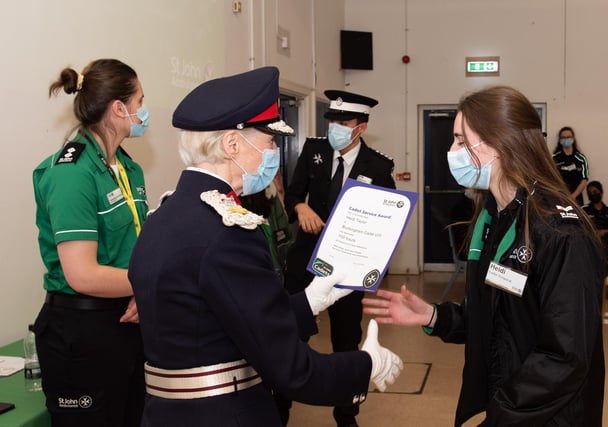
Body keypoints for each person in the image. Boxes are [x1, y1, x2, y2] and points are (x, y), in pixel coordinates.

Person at [127, 67, 402, 427]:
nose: (274, 153)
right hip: (227, 413)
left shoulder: (163, 216)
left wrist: (309, 301)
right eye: (270, 142)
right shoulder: (228, 233)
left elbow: (223, 320)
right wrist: (366, 364)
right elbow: (292, 370)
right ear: (232, 145)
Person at [363, 86, 605, 426]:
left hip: (547, 414)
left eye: (461, 141)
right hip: (509, 404)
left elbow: (565, 357)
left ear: (501, 143)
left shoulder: (560, 230)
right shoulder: (494, 216)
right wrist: (434, 317)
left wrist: (501, 415)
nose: (451, 151)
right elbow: (499, 316)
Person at [32, 59, 150, 427]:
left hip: (129, 321)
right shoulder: (71, 173)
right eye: (140, 102)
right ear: (119, 108)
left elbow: (134, 249)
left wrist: (141, 296)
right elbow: (82, 274)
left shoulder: (129, 169)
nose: (144, 112)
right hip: (82, 333)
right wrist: (151, 286)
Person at [281, 89, 396, 427]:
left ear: (360, 127)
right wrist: (301, 208)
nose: (335, 128)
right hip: (306, 259)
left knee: (346, 339)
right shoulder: (314, 151)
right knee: (290, 333)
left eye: (343, 123)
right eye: (332, 121)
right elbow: (292, 193)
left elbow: (384, 220)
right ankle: (279, 407)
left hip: (349, 266)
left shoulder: (378, 165)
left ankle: (346, 414)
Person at [582, 180, 608, 271]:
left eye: (595, 192)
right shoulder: (584, 210)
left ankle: (606, 269)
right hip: (591, 241)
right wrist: (595, 233)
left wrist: (604, 232)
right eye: (590, 193)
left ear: (601, 192)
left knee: (606, 242)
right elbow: (580, 230)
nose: (593, 194)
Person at [552, 126, 589, 205]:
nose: (566, 139)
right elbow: (551, 179)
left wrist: (573, 196)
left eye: (568, 137)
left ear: (573, 138)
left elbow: (584, 179)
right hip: (559, 199)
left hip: (576, 200)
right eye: (563, 137)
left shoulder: (581, 159)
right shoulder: (554, 158)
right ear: (560, 140)